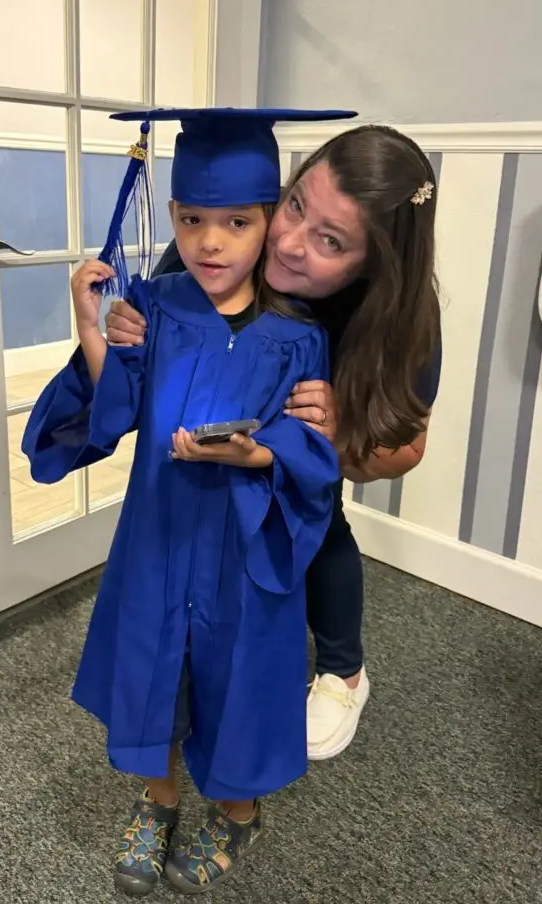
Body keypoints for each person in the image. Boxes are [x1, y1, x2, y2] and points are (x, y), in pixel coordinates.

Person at [22, 107, 355, 896]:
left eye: (237, 221)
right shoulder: (158, 307)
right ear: (171, 216)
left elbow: (309, 449)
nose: (212, 241)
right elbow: (117, 406)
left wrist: (255, 451)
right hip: (161, 534)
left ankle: (237, 811)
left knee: (238, 680)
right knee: (154, 678)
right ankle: (158, 800)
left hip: (243, 548)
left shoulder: (298, 334)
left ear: (269, 222)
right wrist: (92, 326)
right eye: (194, 219)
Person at [106, 123, 443, 762]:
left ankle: (343, 669)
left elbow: (404, 452)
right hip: (216, 458)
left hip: (316, 441)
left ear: (374, 263)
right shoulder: (221, 245)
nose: (286, 244)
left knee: (321, 519)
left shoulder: (400, 324)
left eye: (330, 240)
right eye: (294, 205)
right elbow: (162, 343)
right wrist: (128, 332)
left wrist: (339, 430)